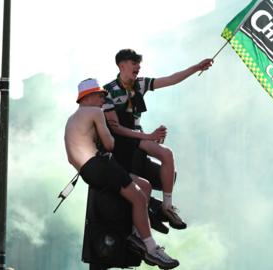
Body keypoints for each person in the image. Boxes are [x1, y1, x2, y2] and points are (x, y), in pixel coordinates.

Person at [64, 78, 179, 269]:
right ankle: (151, 248)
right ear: (88, 96)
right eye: (100, 96)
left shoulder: (72, 119)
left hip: (87, 170)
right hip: (99, 164)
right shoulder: (95, 112)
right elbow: (109, 144)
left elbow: (71, 157)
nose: (103, 100)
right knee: (139, 198)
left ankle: (136, 232)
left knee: (145, 185)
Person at [102, 49, 213, 230]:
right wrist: (149, 136)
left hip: (138, 135)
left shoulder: (140, 84)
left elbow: (172, 79)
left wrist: (196, 68)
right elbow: (115, 127)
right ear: (122, 65)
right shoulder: (108, 90)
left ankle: (167, 205)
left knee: (167, 154)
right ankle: (144, 220)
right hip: (122, 140)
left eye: (139, 63)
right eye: (134, 63)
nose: (138, 67)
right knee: (138, 180)